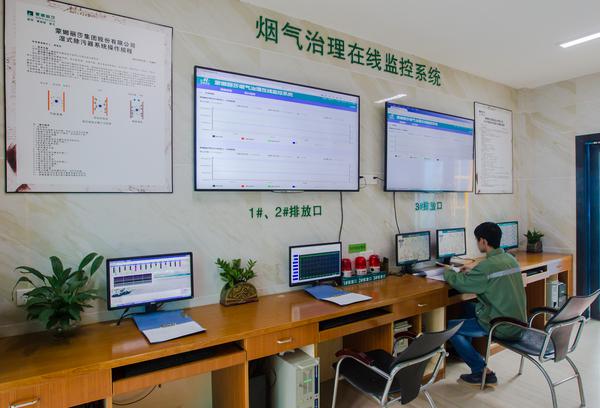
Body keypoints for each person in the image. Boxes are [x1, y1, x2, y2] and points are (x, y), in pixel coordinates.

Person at [444, 222, 527, 386]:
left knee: (450, 329)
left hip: (501, 325)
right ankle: (464, 350)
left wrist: (447, 271)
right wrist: (474, 272)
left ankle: (480, 371)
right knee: (467, 307)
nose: (477, 243)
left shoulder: (487, 266)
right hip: (519, 323)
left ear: (483, 241)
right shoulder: (510, 259)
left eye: (477, 240)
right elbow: (488, 275)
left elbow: (462, 285)